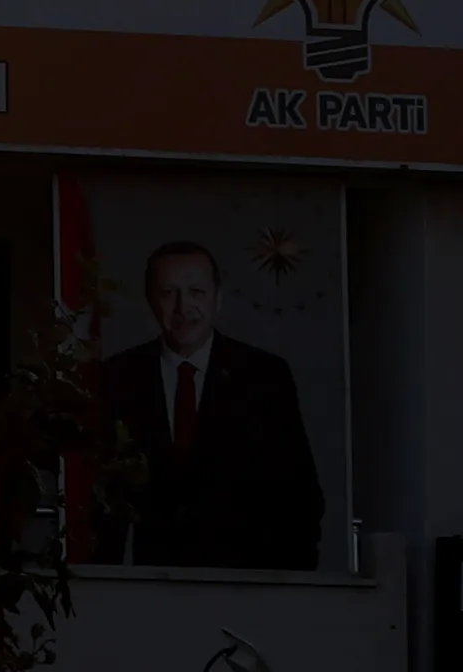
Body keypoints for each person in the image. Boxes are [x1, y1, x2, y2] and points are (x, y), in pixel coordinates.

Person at [108, 238, 324, 570]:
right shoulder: (119, 376)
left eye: (197, 292)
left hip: (245, 585)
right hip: (152, 585)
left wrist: (288, 593)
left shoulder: (264, 377)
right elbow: (102, 503)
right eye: (169, 293)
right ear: (151, 299)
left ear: (217, 297)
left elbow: (299, 497)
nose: (183, 307)